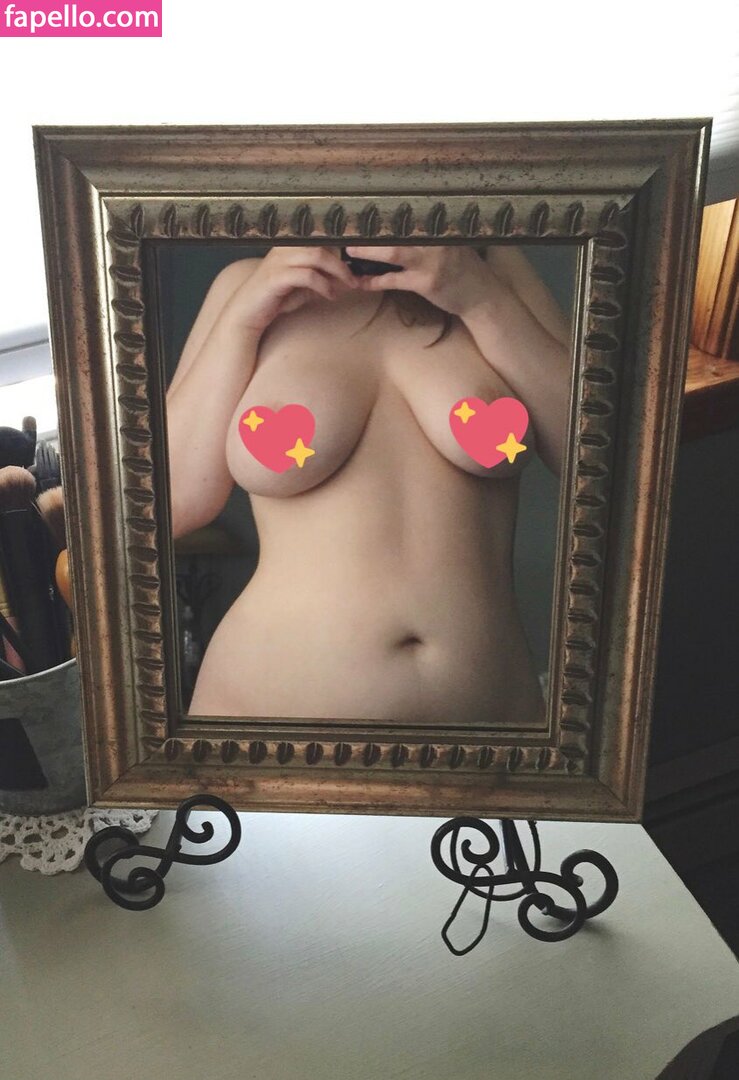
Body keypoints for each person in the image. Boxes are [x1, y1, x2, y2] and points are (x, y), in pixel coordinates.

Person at [166, 244, 571, 727]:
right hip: (265, 723)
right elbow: (171, 505)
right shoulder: (249, 283)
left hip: (494, 727)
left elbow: (603, 464)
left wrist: (483, 302)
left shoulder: (492, 269)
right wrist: (241, 323)